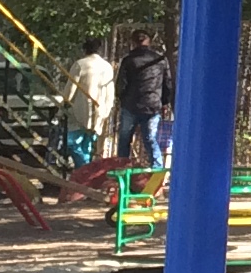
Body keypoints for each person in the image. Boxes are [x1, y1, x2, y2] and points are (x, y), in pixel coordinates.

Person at [117, 31, 173, 167]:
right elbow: (168, 84)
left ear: (133, 42)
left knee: (124, 139)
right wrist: (163, 102)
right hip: (152, 105)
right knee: (150, 139)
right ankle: (157, 168)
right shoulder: (160, 60)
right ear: (149, 41)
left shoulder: (128, 60)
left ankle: (122, 167)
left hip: (130, 105)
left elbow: (121, 84)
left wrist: (122, 99)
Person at [60, 41, 115, 169]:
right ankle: (85, 172)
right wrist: (106, 111)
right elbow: (110, 92)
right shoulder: (107, 66)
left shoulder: (80, 64)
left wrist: (62, 107)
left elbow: (70, 88)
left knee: (72, 143)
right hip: (99, 111)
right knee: (87, 145)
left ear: (84, 50)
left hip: (79, 110)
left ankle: (84, 168)